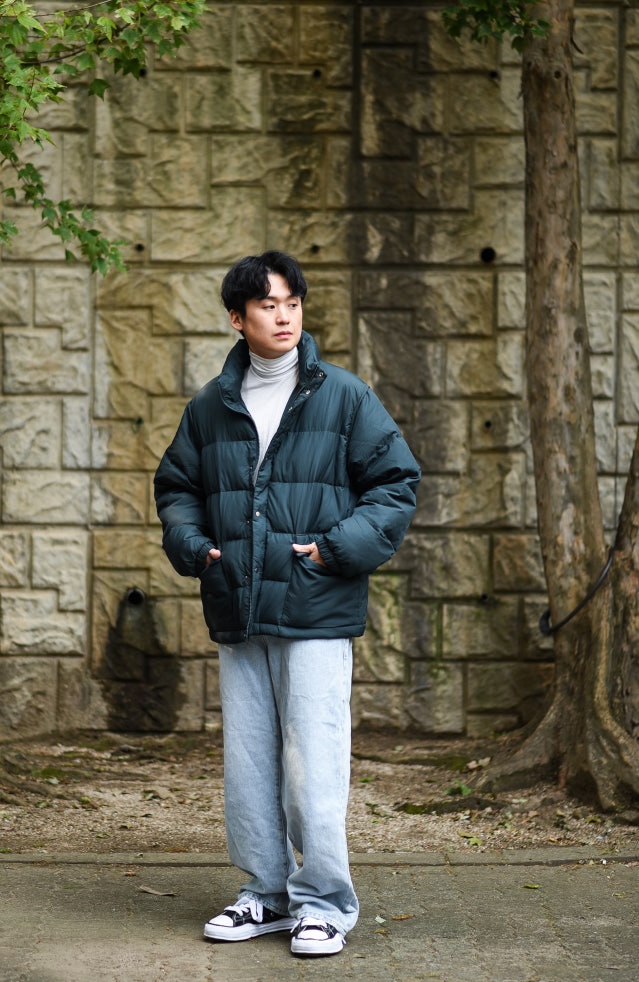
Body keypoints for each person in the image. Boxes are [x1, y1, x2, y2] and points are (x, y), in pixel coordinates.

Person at [154, 251, 420, 957]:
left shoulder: (343, 395)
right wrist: (196, 548)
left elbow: (395, 484)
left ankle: (324, 903)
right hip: (237, 604)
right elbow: (177, 487)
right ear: (236, 318)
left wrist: (332, 550)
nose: (283, 316)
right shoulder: (210, 406)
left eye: (292, 303)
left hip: (314, 604)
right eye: (267, 305)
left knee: (313, 762)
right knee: (248, 765)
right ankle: (266, 894)